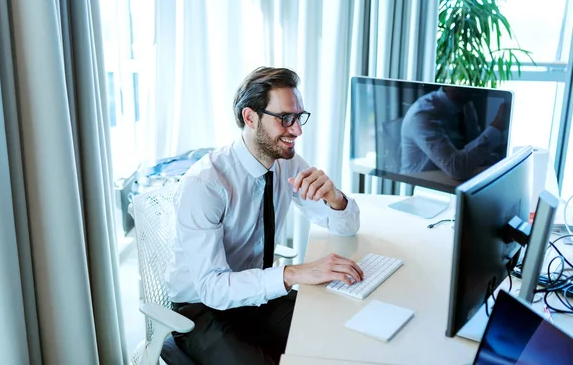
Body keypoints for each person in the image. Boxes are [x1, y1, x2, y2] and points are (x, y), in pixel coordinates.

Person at [166, 66, 362, 364]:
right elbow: (212, 289)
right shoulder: (206, 184)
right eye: (285, 119)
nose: (297, 130)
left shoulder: (287, 163)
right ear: (250, 117)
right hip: (200, 309)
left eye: (298, 118)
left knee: (335, 331)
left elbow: (346, 229)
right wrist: (295, 272)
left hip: (256, 296)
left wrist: (335, 198)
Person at [400, 86, 507, 180]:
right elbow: (456, 169)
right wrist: (497, 125)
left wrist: (499, 159)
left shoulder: (466, 105)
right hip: (417, 186)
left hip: (448, 180)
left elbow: (473, 151)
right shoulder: (422, 114)